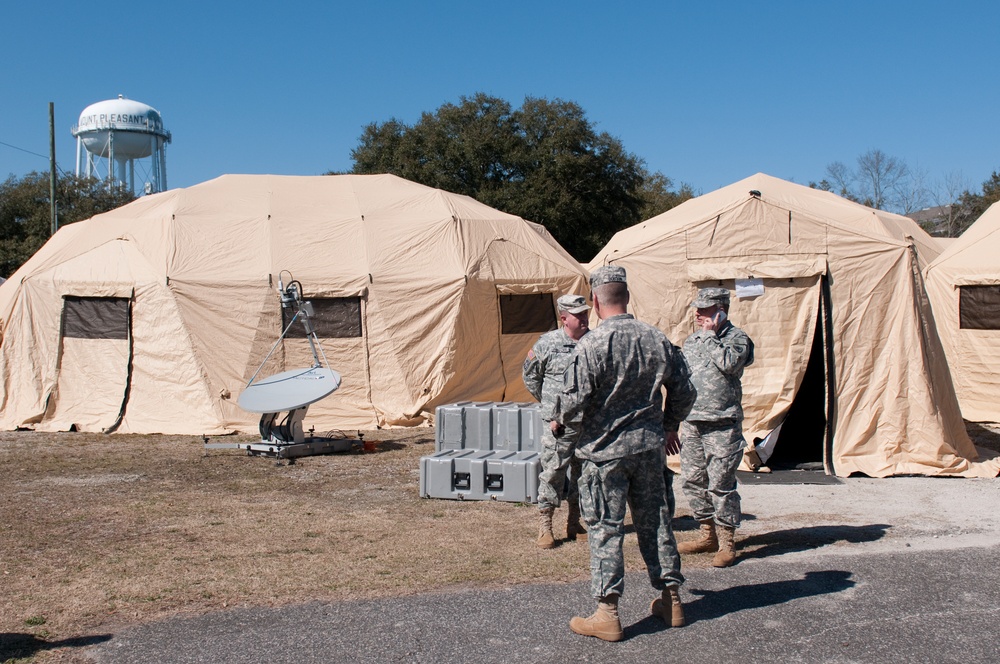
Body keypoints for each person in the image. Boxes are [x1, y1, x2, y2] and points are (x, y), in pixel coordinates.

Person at [555, 266, 695, 642]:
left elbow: (570, 403)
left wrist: (562, 422)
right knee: (657, 523)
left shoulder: (592, 346)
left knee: (605, 529)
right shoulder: (657, 339)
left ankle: (608, 613)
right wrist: (669, 424)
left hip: (604, 455)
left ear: (596, 301)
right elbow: (685, 389)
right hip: (649, 451)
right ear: (627, 297)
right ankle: (672, 599)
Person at [677, 287, 755, 568]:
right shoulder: (691, 341)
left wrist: (712, 336)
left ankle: (727, 542)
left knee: (721, 485)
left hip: (722, 424)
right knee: (693, 480)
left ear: (721, 310)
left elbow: (730, 365)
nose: (698, 314)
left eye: (705, 310)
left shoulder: (737, 339)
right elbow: (682, 381)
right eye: (696, 309)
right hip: (693, 422)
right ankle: (706, 534)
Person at [522, 294, 592, 549]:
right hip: (558, 424)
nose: (585, 318)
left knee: (583, 474)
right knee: (553, 471)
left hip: (588, 421)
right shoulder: (547, 344)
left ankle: (575, 521)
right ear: (564, 318)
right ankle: (545, 527)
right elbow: (530, 377)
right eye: (579, 315)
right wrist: (551, 407)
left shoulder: (594, 342)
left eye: (586, 313)